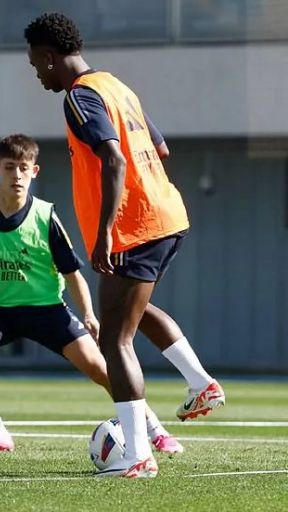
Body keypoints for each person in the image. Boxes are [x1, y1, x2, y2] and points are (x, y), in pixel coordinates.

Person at [0, 134, 181, 456]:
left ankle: (154, 428)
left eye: (24, 168)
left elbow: (72, 274)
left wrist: (89, 315)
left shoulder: (45, 216)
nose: (17, 175)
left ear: (35, 171)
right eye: (10, 167)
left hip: (46, 310)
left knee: (101, 367)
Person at [24, 13, 225, 477]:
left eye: (36, 63)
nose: (36, 72)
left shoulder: (79, 96)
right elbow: (161, 148)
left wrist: (105, 232)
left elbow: (113, 158)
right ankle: (200, 383)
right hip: (167, 216)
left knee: (115, 338)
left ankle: (136, 455)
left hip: (134, 228)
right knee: (132, 311)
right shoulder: (116, 86)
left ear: (51, 58)